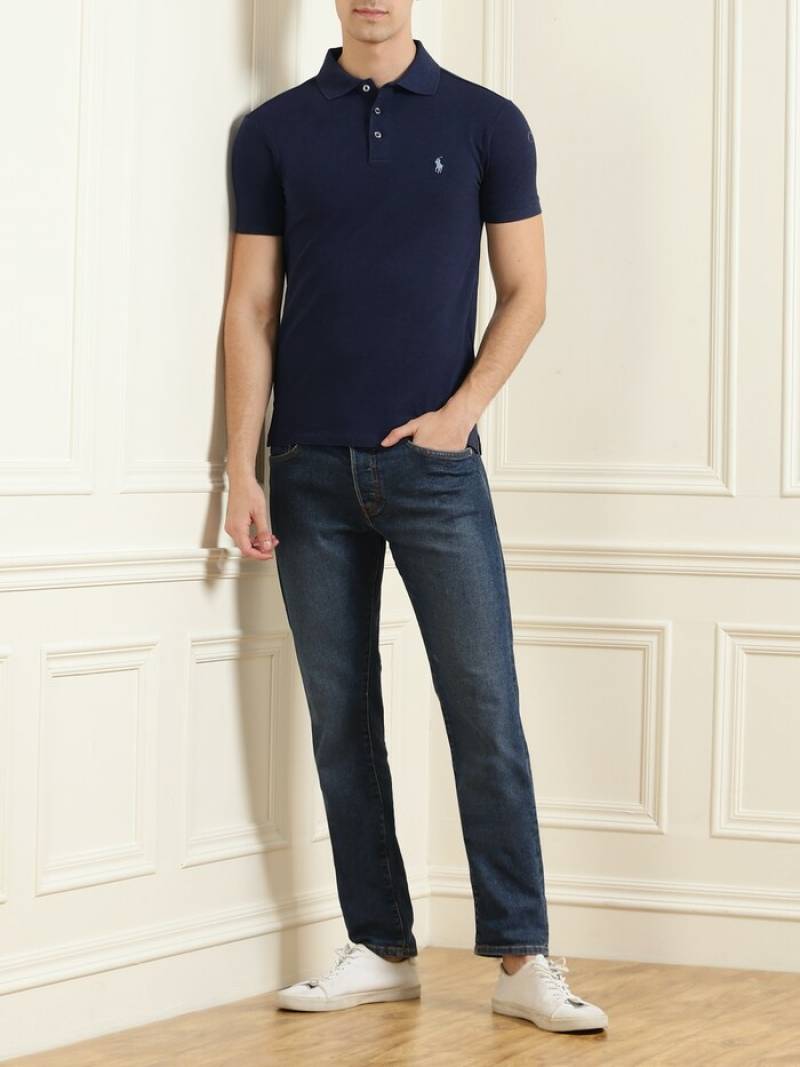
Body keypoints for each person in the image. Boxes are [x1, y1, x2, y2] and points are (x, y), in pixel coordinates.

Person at [223, 0, 608, 1035]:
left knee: (483, 707)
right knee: (341, 718)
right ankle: (381, 946)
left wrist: (459, 416)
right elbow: (250, 306)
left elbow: (526, 292)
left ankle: (522, 955)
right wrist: (240, 467)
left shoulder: (486, 122)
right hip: (305, 469)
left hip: (436, 472)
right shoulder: (273, 132)